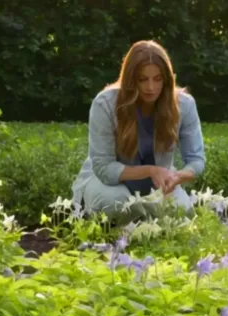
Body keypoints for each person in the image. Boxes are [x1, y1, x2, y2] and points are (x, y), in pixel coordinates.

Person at [70, 40, 205, 220]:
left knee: (181, 212)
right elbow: (104, 168)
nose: (151, 87)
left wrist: (177, 176)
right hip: (108, 183)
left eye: (157, 79)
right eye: (142, 79)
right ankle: (101, 223)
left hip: (157, 183)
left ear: (167, 79)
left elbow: (196, 160)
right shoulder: (105, 104)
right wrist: (150, 171)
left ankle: (144, 222)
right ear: (130, 79)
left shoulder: (185, 105)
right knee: (119, 204)